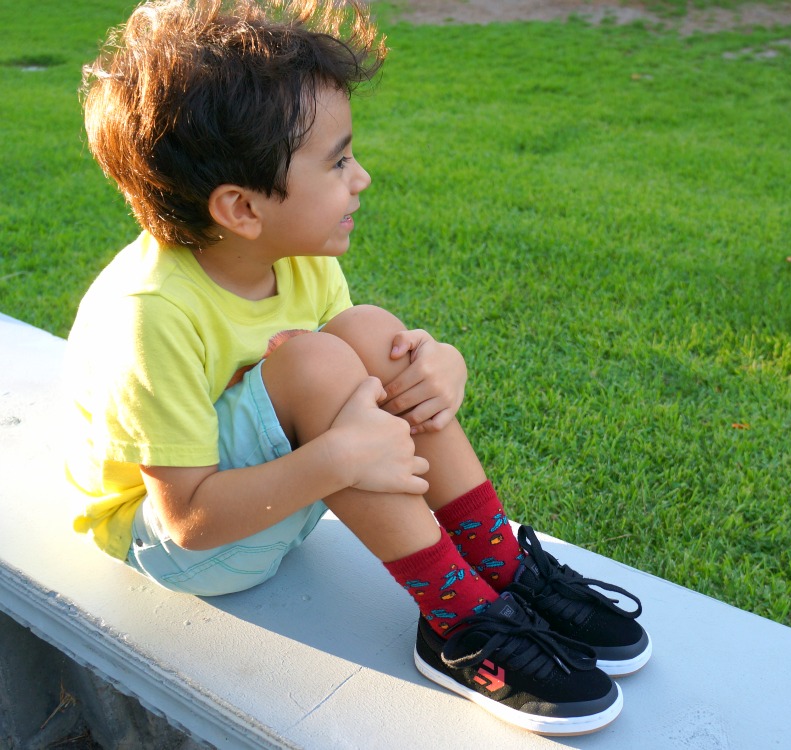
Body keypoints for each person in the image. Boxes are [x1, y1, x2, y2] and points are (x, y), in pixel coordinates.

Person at [65, 0, 651, 735]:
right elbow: (187, 522)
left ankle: (500, 566)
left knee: (372, 332)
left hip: (277, 499)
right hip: (182, 549)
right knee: (316, 360)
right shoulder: (149, 311)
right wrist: (338, 457)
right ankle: (459, 624)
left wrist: (440, 370)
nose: (361, 177)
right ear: (242, 208)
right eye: (338, 161)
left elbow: (357, 370)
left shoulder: (295, 265)